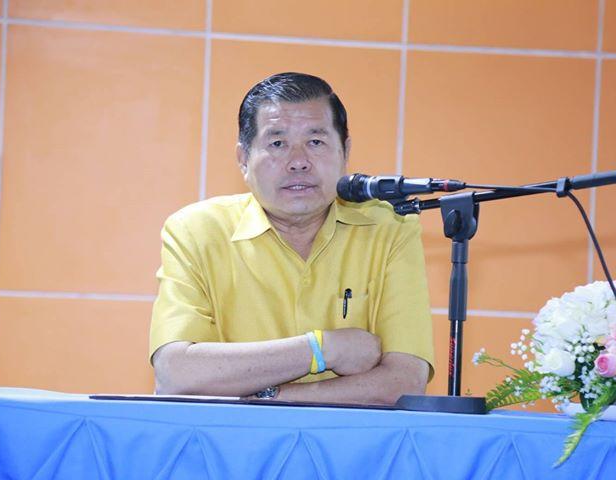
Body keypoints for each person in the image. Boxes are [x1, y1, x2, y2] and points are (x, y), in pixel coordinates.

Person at [149, 72, 434, 405]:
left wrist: (272, 397)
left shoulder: (390, 227)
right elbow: (175, 375)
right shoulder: (196, 231)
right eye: (277, 144)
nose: (298, 162)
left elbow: (404, 382)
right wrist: (321, 349)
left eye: (315, 142)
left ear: (345, 152)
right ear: (243, 159)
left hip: (347, 439)